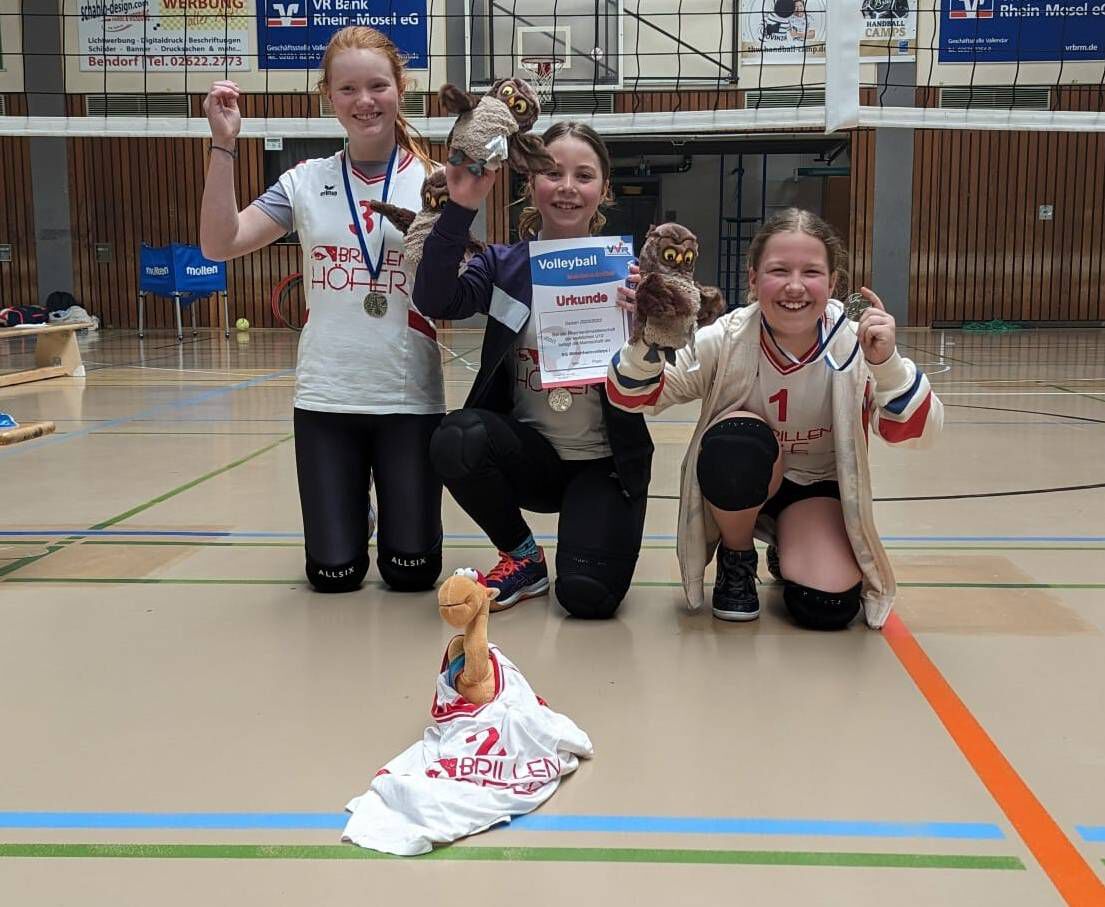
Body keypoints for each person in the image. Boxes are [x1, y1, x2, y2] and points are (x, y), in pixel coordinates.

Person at [607, 208, 943, 630]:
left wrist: (887, 363)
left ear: (833, 283)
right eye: (778, 270)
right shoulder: (725, 338)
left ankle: (790, 544)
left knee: (826, 607)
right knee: (737, 441)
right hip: (741, 476)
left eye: (811, 272)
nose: (795, 286)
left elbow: (918, 433)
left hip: (813, 492)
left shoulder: (855, 342)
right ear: (753, 280)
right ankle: (737, 554)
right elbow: (632, 396)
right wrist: (649, 336)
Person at [199, 26, 445, 594]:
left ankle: (391, 520)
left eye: (378, 85)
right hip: (327, 398)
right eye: (349, 89)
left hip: (408, 397)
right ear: (327, 97)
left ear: (400, 89)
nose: (365, 101)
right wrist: (223, 143)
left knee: (413, 574)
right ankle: (349, 518)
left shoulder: (435, 182)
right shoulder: (304, 182)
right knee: (333, 577)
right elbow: (220, 243)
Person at [413, 122, 652, 619]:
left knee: (587, 596)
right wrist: (460, 209)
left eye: (583, 176)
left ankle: (589, 537)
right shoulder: (504, 265)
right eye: (551, 172)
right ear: (530, 184)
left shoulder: (630, 276)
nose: (567, 187)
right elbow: (435, 298)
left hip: (603, 463)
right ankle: (522, 556)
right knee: (456, 437)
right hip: (529, 456)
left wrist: (647, 325)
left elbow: (662, 374)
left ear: (603, 189)